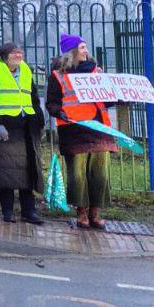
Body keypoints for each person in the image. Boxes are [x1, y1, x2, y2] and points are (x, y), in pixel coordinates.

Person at [46, 33, 116, 230]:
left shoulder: (96, 72)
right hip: (74, 130)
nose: (87, 50)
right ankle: (82, 212)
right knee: (77, 175)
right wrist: (58, 111)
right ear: (73, 51)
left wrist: (120, 95)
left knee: (100, 173)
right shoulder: (58, 76)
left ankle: (96, 212)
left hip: (99, 129)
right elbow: (51, 102)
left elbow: (107, 98)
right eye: (83, 47)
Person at [0, 42, 45, 224]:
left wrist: (39, 119)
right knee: (5, 170)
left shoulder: (26, 71)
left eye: (20, 52)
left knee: (29, 170)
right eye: (14, 53)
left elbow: (33, 97)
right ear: (4, 55)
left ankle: (29, 211)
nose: (19, 55)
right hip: (5, 126)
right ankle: (7, 211)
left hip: (26, 126)